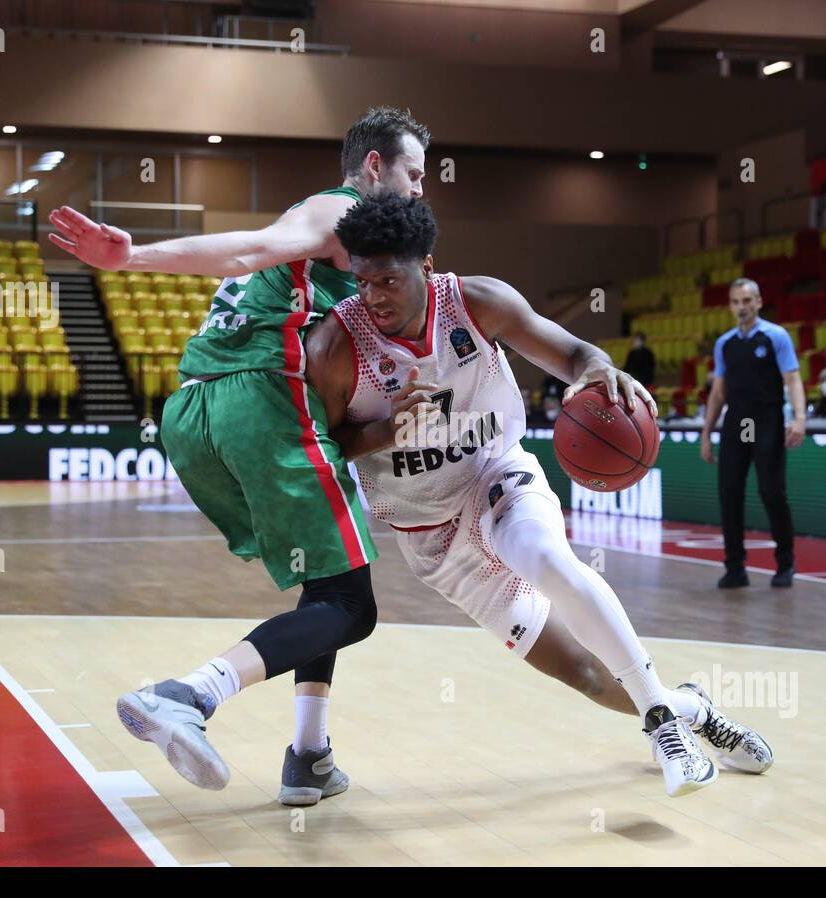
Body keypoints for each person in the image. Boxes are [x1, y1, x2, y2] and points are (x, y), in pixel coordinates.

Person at [305, 194, 772, 797]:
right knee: (582, 672)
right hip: (434, 540)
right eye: (363, 281)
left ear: (427, 263)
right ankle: (688, 708)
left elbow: (575, 353)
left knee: (546, 559)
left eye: (388, 280)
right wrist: (380, 431)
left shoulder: (477, 303)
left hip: (495, 474)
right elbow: (321, 445)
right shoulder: (337, 346)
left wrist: (598, 367)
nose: (374, 297)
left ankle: (661, 724)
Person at [48, 106, 430, 799]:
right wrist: (132, 258)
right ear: (374, 166)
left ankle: (309, 755)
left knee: (327, 583)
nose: (419, 190)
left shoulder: (352, 245)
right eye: (413, 173)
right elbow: (250, 249)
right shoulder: (336, 212)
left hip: (195, 408)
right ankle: (187, 695)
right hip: (260, 397)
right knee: (354, 605)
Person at [699, 278, 805, 589]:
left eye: (747, 301)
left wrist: (799, 418)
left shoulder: (776, 336)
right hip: (736, 424)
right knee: (729, 494)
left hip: (767, 420)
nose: (741, 307)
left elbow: (793, 380)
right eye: (736, 301)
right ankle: (735, 568)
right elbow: (718, 393)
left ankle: (785, 563)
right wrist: (706, 433)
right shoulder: (725, 344)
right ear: (730, 306)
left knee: (772, 493)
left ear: (758, 302)